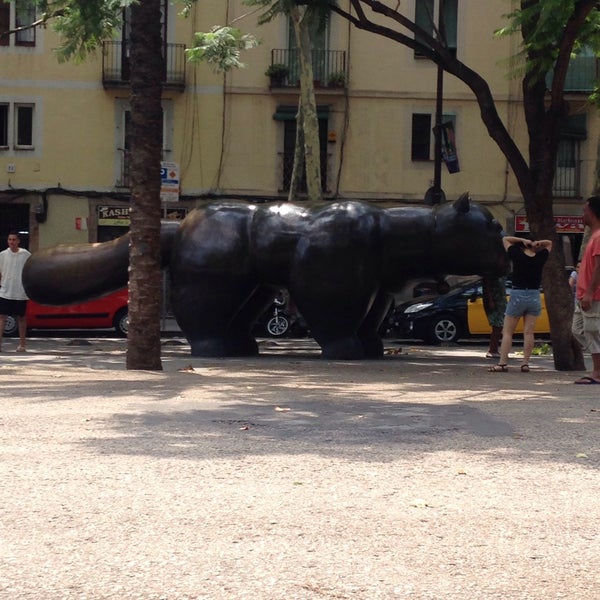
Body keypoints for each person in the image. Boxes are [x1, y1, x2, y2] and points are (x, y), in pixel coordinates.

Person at [489, 235, 552, 373]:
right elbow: (549, 243)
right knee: (529, 332)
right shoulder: (540, 258)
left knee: (507, 332)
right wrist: (538, 243)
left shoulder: (517, 255)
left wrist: (522, 241)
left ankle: (503, 363)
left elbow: (505, 239)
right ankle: (525, 364)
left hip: (518, 294)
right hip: (534, 295)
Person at [572, 196, 600, 384]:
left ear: (593, 213)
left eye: (585, 211)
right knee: (578, 330)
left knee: (592, 332)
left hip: (593, 295)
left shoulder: (598, 237)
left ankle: (597, 372)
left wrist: (590, 292)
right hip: (582, 295)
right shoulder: (593, 237)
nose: (583, 214)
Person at [0, 231, 32, 352]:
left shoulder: (25, 254)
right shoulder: (2, 255)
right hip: (5, 290)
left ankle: (22, 344)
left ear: (18, 241)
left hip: (20, 291)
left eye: (14, 240)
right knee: (2, 316)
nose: (11, 242)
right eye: (9, 239)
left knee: (21, 317)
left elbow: (30, 270)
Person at [482, 275, 507, 358]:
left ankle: (495, 349)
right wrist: (490, 300)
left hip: (501, 301)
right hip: (496, 301)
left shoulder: (502, 274)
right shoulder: (491, 274)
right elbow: (486, 287)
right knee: (497, 326)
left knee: (500, 326)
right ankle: (492, 349)